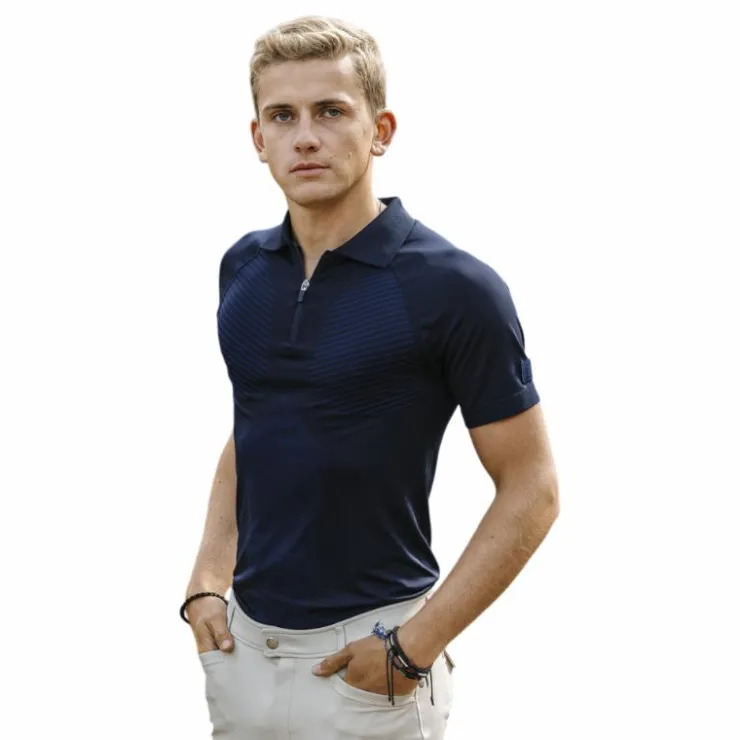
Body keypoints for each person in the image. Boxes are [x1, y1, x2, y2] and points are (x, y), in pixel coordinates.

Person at [181, 14, 559, 740]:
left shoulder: (455, 288)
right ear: (257, 138)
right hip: (242, 655)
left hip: (372, 663)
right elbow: (255, 426)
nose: (305, 137)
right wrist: (206, 579)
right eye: (282, 116)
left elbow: (533, 487)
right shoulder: (243, 268)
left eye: (331, 111)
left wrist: (412, 649)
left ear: (380, 130)